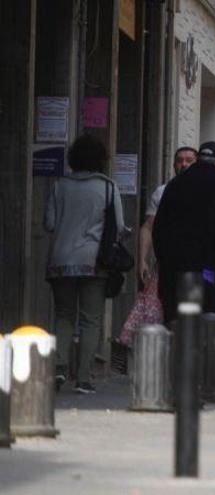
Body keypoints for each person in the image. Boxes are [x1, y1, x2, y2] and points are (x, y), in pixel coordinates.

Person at [44, 134, 126, 394]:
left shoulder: (60, 185)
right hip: (94, 261)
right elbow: (120, 228)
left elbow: (49, 223)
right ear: (101, 159)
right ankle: (83, 378)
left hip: (61, 260)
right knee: (91, 320)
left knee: (63, 315)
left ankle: (58, 368)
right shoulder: (108, 187)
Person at [152, 142, 215, 323]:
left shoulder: (175, 184)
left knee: (177, 318)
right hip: (208, 268)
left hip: (174, 268)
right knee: (205, 317)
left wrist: (163, 259)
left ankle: (176, 349)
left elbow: (159, 226)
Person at [137, 146, 197, 285]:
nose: (184, 164)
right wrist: (142, 260)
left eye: (189, 160)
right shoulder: (162, 191)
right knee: (165, 305)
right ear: (174, 165)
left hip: (195, 268)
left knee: (190, 306)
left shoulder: (206, 191)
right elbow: (148, 227)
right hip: (167, 265)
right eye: (179, 161)